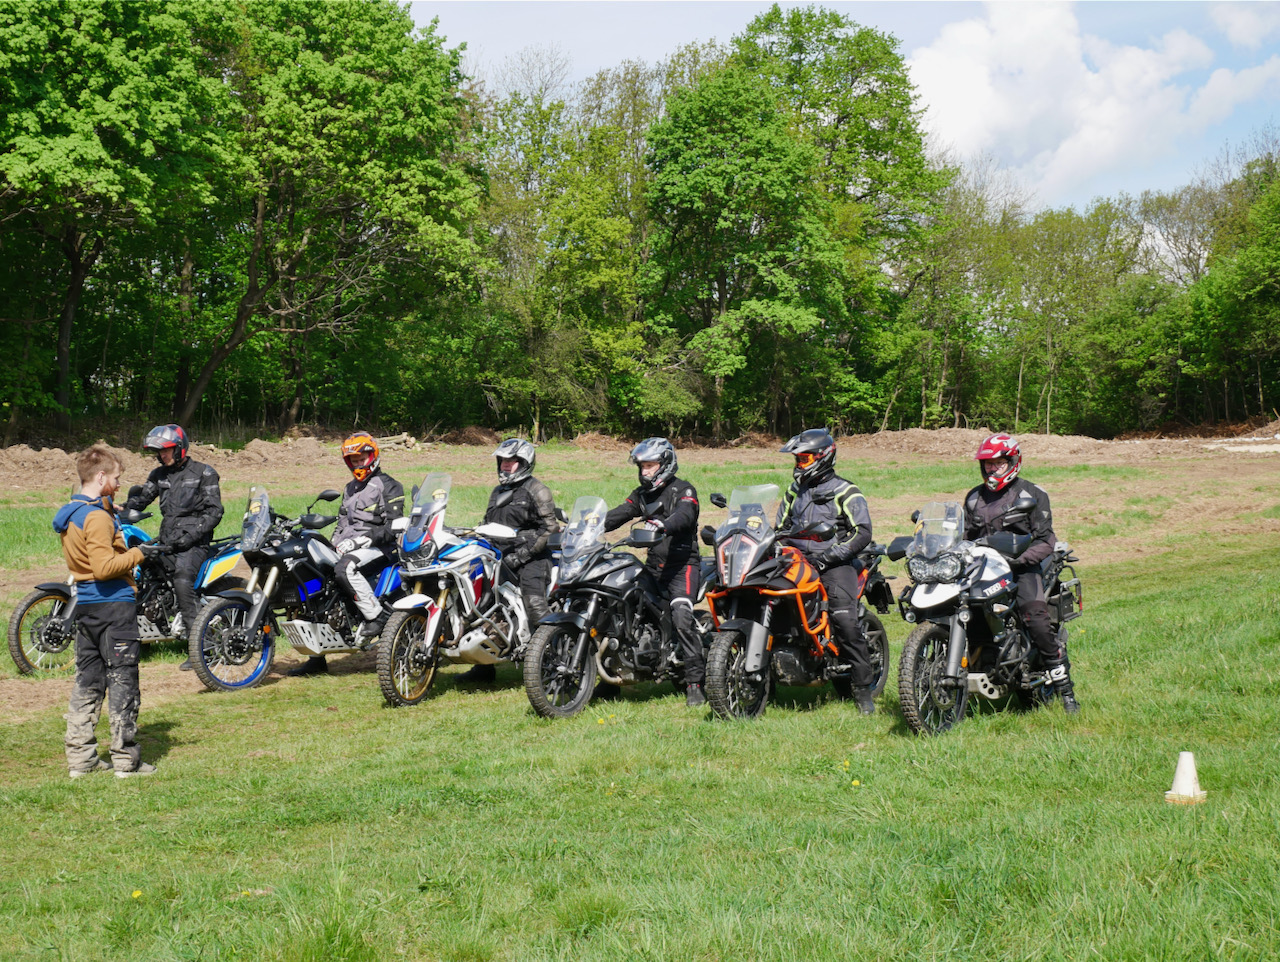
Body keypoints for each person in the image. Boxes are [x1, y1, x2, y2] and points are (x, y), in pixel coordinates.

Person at [55, 444, 166, 778]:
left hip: (87, 607)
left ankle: (81, 760)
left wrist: (107, 510)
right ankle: (126, 761)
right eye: (116, 479)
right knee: (122, 681)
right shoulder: (96, 518)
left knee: (87, 682)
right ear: (101, 476)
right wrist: (139, 553)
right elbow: (104, 568)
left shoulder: (73, 512)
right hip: (114, 605)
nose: (119, 485)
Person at [963, 433, 1079, 713]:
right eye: (988, 464)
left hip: (1022, 567)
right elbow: (963, 536)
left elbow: (1046, 540)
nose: (992, 469)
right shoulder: (974, 497)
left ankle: (1066, 691)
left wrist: (1019, 560)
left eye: (998, 463)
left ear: (1013, 462)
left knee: (1035, 617)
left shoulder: (1032, 494)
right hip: (983, 568)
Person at [775, 428, 877, 715]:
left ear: (823, 457)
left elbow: (862, 532)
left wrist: (830, 556)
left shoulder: (846, 491)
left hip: (835, 563)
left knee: (844, 619)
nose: (799, 464)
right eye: (797, 459)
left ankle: (863, 688)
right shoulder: (794, 491)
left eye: (804, 459)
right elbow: (779, 528)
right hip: (796, 560)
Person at [289, 432, 404, 676]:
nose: (358, 463)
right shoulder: (349, 488)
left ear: (373, 457)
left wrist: (362, 540)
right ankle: (316, 658)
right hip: (351, 547)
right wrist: (332, 546)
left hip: (380, 549)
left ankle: (375, 617)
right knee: (314, 576)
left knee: (345, 568)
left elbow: (394, 526)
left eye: (362, 458)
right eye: (354, 460)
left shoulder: (389, 485)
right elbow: (342, 523)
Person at [603, 437, 705, 706]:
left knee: (682, 616)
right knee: (618, 603)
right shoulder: (642, 494)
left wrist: (664, 525)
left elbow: (685, 515)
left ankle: (695, 683)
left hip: (682, 567)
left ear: (665, 464)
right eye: (642, 466)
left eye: (650, 465)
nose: (645, 471)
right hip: (652, 567)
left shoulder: (684, 490)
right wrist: (591, 524)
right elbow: (622, 512)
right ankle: (608, 678)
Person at [457, 438, 558, 684]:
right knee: (479, 603)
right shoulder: (497, 492)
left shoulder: (537, 490)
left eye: (511, 461)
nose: (505, 465)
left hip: (532, 557)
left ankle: (553, 662)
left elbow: (550, 529)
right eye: (502, 460)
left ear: (524, 463)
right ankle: (484, 667)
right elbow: (488, 523)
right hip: (497, 555)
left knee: (535, 604)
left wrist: (522, 556)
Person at [123, 424, 223, 671]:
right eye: (159, 451)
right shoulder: (159, 475)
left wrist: (190, 537)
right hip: (168, 539)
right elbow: (141, 500)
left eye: (166, 450)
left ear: (179, 448)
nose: (162, 455)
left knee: (182, 581)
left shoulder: (204, 473)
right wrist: (118, 507)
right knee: (141, 569)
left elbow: (214, 511)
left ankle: (203, 647)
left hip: (194, 543)